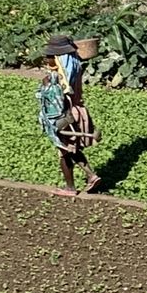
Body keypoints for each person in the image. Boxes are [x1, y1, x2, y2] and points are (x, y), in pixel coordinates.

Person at [40, 34, 100, 193]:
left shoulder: (57, 78)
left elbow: (55, 101)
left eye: (50, 56)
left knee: (64, 151)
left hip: (66, 114)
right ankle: (91, 176)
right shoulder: (75, 66)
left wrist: (46, 84)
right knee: (72, 148)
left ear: (58, 58)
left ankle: (70, 187)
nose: (46, 59)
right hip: (79, 111)